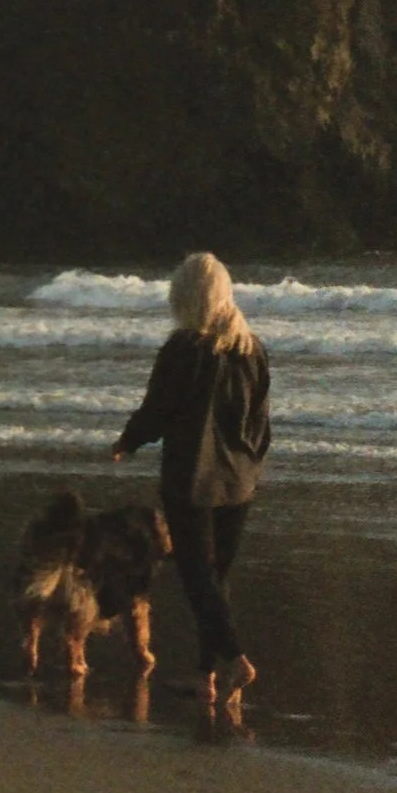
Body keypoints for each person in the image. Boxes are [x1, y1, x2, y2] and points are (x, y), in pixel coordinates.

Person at [112, 251, 271, 709]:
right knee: (216, 577)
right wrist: (253, 462)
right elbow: (261, 420)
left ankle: (235, 659)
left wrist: (129, 440)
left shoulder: (184, 349)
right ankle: (206, 678)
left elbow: (159, 410)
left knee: (197, 576)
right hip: (239, 479)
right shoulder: (251, 348)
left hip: (192, 478)